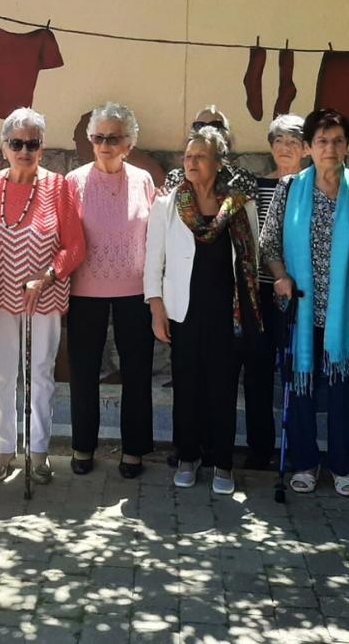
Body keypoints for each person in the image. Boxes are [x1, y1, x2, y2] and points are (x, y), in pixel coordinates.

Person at [260, 109, 349, 498]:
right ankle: (305, 463)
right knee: (301, 389)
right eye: (322, 141)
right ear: (309, 147)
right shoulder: (290, 187)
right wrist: (280, 276)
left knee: (348, 391)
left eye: (338, 140)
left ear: (347, 146)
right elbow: (269, 244)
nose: (330, 148)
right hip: (301, 309)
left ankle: (343, 465)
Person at [146, 126, 261, 495]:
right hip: (183, 311)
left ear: (218, 162)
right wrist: (156, 307)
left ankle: (223, 462)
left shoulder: (240, 205)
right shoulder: (169, 203)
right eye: (188, 157)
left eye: (201, 157)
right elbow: (154, 261)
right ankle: (187, 456)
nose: (192, 163)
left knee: (223, 389)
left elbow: (251, 259)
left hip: (228, 313)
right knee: (188, 387)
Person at [0, 108, 85, 484]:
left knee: (40, 374)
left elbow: (75, 246)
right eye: (17, 143)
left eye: (33, 144)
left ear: (42, 148)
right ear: (4, 147)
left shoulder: (59, 186)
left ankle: (38, 452)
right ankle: (3, 449)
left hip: (44, 295)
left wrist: (46, 277)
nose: (25, 150)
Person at [66, 103, 156, 478]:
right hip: (85, 291)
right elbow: (65, 237)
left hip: (135, 292)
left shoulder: (143, 180)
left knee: (137, 372)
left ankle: (133, 451)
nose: (104, 144)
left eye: (113, 138)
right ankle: (82, 446)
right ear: (90, 140)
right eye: (98, 137)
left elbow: (154, 239)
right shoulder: (72, 181)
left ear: (129, 143)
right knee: (83, 372)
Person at [243, 113, 308, 470]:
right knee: (257, 370)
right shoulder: (255, 187)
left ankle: (299, 449)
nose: (285, 148)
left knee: (299, 370)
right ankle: (260, 448)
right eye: (279, 141)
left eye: (294, 141)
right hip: (261, 294)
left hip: (301, 295)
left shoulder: (312, 189)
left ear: (307, 149)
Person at [161, 106, 257, 197]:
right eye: (199, 126)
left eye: (215, 126)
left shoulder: (242, 179)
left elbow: (251, 212)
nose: (206, 131)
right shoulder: (176, 178)